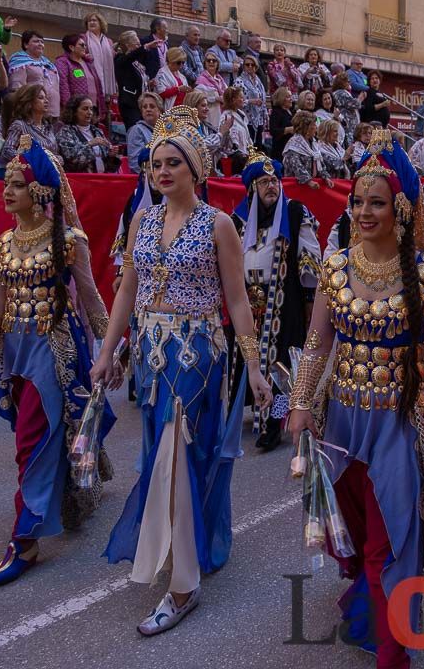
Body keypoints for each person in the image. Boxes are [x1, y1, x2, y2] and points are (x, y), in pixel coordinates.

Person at [287, 133, 424, 667]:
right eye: (358, 201)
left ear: (402, 209)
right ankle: (371, 601)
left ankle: (394, 651)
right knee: (356, 529)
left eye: (378, 202)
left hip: (399, 423)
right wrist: (299, 403)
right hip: (341, 422)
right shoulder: (335, 267)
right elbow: (318, 344)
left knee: (390, 540)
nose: (364, 211)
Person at [96, 106, 273, 634]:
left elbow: (238, 302)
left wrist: (256, 367)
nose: (163, 172)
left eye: (174, 162)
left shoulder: (219, 225)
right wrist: (108, 351)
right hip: (151, 352)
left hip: (198, 354)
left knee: (177, 453)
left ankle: (183, 585)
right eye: (156, 164)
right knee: (162, 455)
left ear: (196, 170)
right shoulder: (142, 221)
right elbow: (127, 289)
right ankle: (186, 541)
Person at [0, 133, 113, 585]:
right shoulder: (6, 241)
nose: (6, 191)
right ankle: (75, 485)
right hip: (15, 352)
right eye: (6, 182)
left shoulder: (68, 239)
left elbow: (90, 297)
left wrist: (109, 350)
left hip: (54, 351)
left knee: (32, 440)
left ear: (40, 192)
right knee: (35, 436)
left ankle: (25, 538)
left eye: (15, 183)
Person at [229, 150, 321, 449]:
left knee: (280, 366)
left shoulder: (295, 212)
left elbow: (310, 256)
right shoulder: (238, 219)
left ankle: (276, 421)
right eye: (264, 182)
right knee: (241, 358)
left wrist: (309, 299)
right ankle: (239, 414)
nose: (271, 186)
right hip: (246, 301)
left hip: (283, 301)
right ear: (252, 188)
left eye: (274, 181)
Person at [0, 84, 91, 172]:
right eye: (41, 98)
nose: (46, 101)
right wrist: (31, 161)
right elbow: (7, 151)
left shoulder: (48, 127)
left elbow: (55, 154)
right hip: (29, 179)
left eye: (46, 97)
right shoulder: (20, 125)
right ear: (29, 102)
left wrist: (58, 159)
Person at [58, 94, 117, 173]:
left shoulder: (97, 131)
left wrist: (111, 155)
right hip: (80, 181)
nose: (90, 112)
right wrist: (90, 144)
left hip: (102, 179)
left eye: (91, 109)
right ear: (74, 111)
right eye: (85, 109)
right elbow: (72, 158)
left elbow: (108, 162)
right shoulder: (66, 132)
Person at [8, 30, 60, 115]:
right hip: (31, 112)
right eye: (36, 41)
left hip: (52, 113)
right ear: (26, 45)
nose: (40, 44)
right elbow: (17, 89)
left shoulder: (49, 64)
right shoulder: (19, 62)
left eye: (42, 42)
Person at [55, 34, 105, 122]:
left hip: (92, 109)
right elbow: (63, 86)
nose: (84, 47)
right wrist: (70, 109)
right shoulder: (63, 62)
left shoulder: (88, 63)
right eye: (81, 45)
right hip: (76, 110)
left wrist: (101, 108)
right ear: (71, 47)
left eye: (85, 45)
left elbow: (98, 87)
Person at [114, 29, 156, 128]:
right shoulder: (120, 59)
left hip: (141, 104)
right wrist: (146, 46)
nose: (139, 47)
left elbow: (136, 80)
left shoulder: (136, 63)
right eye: (137, 45)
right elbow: (129, 57)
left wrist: (148, 83)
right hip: (130, 103)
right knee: (135, 130)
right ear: (128, 45)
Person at [282, 110, 332, 189]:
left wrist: (326, 177)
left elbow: (319, 163)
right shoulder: (294, 145)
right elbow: (297, 166)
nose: (316, 127)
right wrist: (309, 181)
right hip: (296, 188)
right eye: (314, 124)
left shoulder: (313, 142)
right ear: (306, 128)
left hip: (311, 187)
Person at [233, 53, 268, 142]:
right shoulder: (239, 81)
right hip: (246, 119)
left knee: (259, 148)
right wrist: (250, 101)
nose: (250, 66)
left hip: (259, 119)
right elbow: (236, 102)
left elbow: (263, 99)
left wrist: (265, 115)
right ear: (243, 66)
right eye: (247, 64)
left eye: (252, 65)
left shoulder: (258, 82)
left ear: (256, 67)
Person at [218, 85, 253, 170]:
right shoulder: (226, 117)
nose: (243, 99)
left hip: (245, 156)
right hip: (234, 160)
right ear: (233, 100)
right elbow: (226, 141)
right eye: (241, 97)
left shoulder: (241, 114)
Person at [83, 13, 116, 99]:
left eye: (94, 20)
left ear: (101, 23)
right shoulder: (84, 38)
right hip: (91, 77)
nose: (91, 22)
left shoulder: (108, 41)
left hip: (106, 79)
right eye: (89, 21)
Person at [125, 91, 162, 171]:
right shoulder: (136, 130)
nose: (148, 109)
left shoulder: (166, 130)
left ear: (159, 111)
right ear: (141, 112)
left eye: (152, 106)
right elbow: (135, 163)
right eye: (145, 107)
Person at [194, 51, 228, 127]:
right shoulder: (201, 79)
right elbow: (198, 98)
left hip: (222, 114)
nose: (211, 62)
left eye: (214, 60)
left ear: (217, 64)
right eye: (208, 60)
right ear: (205, 64)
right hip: (209, 115)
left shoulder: (220, 79)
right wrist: (216, 98)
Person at [154, 46, 193, 112]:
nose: (181, 65)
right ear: (171, 60)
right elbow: (160, 94)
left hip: (180, 112)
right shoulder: (162, 73)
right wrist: (178, 89)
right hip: (167, 111)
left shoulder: (182, 76)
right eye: (178, 62)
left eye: (183, 63)